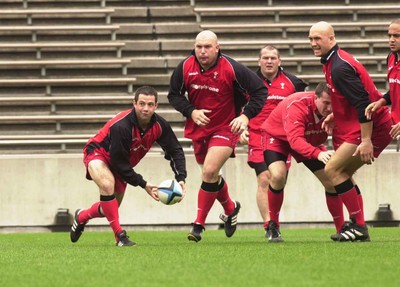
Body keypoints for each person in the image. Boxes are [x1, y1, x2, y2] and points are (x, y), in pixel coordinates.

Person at [168, 30, 268, 242]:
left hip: (225, 127)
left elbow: (260, 91)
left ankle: (198, 225)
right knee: (211, 175)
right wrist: (191, 111)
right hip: (199, 129)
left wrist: (245, 117)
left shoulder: (232, 68)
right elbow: (173, 95)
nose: (202, 51)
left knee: (210, 170)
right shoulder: (185, 67)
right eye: (199, 47)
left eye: (207, 47)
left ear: (217, 47)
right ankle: (231, 208)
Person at [70, 86, 187, 247]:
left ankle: (82, 216)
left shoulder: (160, 126)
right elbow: (118, 162)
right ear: (134, 103)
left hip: (122, 164)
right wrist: (143, 184)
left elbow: (175, 150)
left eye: (150, 104)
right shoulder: (122, 126)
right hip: (98, 152)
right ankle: (120, 237)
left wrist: (181, 178)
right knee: (107, 184)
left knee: (109, 209)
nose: (145, 108)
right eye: (142, 104)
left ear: (156, 106)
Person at [308, 21, 393, 241]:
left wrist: (366, 140)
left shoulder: (339, 67)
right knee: (342, 173)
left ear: (331, 39)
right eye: (311, 39)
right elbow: (353, 96)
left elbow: (363, 101)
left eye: (318, 38)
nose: (313, 43)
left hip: (371, 126)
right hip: (364, 124)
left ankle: (359, 227)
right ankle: (358, 226)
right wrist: (336, 114)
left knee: (333, 170)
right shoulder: (333, 61)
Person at [239, 45, 308, 237]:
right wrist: (240, 130)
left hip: (282, 139)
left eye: (273, 58)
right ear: (258, 61)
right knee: (264, 178)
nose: (269, 61)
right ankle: (269, 225)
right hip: (257, 136)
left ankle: (274, 221)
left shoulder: (294, 83)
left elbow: (303, 107)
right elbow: (236, 106)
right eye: (265, 58)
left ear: (280, 61)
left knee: (278, 180)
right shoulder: (247, 83)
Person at [261, 83, 341, 242]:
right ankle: (273, 226)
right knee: (277, 176)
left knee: (331, 180)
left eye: (333, 103)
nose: (330, 108)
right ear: (316, 98)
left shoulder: (336, 110)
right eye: (326, 103)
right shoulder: (297, 106)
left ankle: (341, 229)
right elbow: (295, 140)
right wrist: (318, 153)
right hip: (278, 138)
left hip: (308, 139)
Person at [365, 19, 400, 139]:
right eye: (389, 35)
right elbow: (395, 90)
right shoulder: (391, 57)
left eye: (396, 36)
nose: (391, 40)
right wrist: (380, 102)